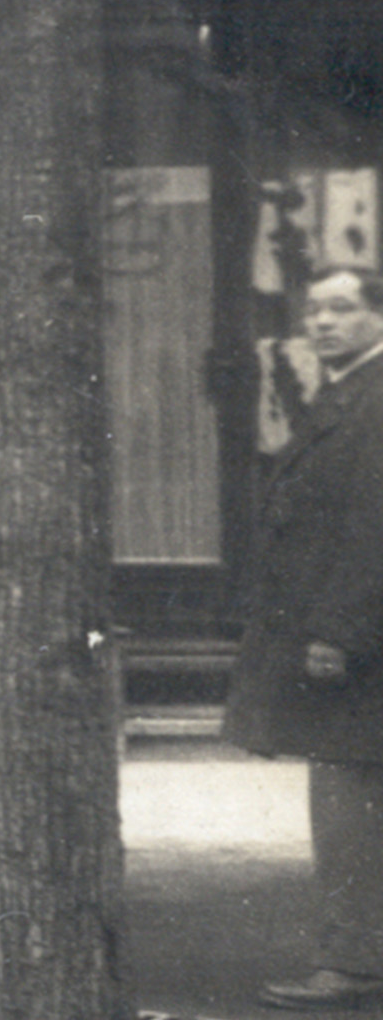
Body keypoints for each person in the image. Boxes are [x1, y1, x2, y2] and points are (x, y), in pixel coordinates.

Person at [229, 266, 383, 1010]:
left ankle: (353, 961)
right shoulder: (347, 391)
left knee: (348, 801)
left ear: (377, 316)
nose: (322, 322)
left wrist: (337, 631)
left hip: (358, 644)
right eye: (314, 309)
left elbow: (373, 525)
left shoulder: (374, 399)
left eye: (342, 308)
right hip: (352, 632)